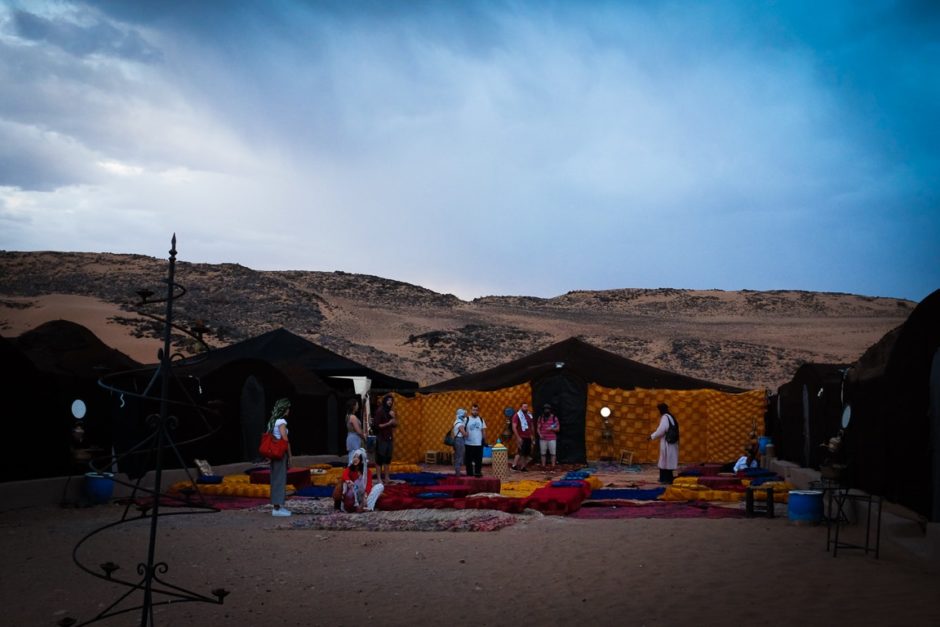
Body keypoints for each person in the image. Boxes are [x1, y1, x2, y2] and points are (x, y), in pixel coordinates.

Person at [333, 448, 384, 512]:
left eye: (358, 457)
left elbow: (368, 486)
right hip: (352, 493)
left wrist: (365, 497)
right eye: (354, 457)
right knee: (341, 483)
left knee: (380, 486)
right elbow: (344, 475)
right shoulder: (350, 468)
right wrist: (349, 481)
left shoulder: (368, 472)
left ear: (362, 460)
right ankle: (341, 506)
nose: (355, 459)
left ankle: (367, 507)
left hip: (363, 495)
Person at [269, 398, 293, 517]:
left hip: (274, 453)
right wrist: (290, 455)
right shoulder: (281, 422)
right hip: (280, 453)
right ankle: (277, 508)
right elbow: (285, 439)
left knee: (275, 478)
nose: (289, 410)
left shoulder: (273, 421)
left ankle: (277, 505)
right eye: (287, 408)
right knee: (280, 479)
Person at [649, 402, 679, 484]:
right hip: (672, 442)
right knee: (668, 460)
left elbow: (661, 430)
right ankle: (668, 478)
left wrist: (652, 436)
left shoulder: (665, 417)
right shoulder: (671, 416)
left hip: (667, 443)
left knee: (665, 461)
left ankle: (665, 479)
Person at [373, 394, 397, 483]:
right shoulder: (380, 411)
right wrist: (388, 424)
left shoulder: (390, 412)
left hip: (389, 438)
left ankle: (387, 477)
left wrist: (393, 417)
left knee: (388, 458)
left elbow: (395, 424)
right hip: (381, 438)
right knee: (379, 458)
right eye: (388, 400)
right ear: (385, 401)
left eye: (391, 400)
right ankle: (379, 478)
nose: (390, 402)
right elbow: (376, 425)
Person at [464, 404, 487, 478]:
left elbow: (483, 430)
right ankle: (469, 474)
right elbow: (462, 429)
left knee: (478, 460)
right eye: (473, 410)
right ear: (471, 410)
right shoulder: (466, 419)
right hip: (468, 443)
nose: (475, 411)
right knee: (468, 460)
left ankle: (477, 472)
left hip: (478, 443)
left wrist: (484, 440)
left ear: (478, 411)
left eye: (476, 410)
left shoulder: (481, 419)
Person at [511, 402, 535, 471]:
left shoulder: (529, 415)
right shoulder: (517, 415)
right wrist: (518, 437)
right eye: (524, 407)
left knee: (526, 453)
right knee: (520, 451)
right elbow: (514, 427)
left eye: (526, 407)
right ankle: (514, 466)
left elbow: (531, 425)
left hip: (528, 436)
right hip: (521, 436)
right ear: (521, 407)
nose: (526, 408)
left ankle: (523, 467)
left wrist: (532, 435)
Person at [537, 403, 560, 468]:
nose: (546, 410)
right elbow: (538, 428)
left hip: (552, 438)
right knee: (543, 453)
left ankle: (553, 466)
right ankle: (543, 466)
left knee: (553, 453)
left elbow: (558, 429)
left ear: (550, 410)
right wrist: (540, 434)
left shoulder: (554, 418)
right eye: (545, 409)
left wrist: (552, 428)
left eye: (548, 409)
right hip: (543, 438)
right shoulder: (540, 418)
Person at [453, 408, 469, 476]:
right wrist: (468, 433)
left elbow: (465, 418)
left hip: (457, 440)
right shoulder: (460, 423)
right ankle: (458, 473)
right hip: (460, 440)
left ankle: (458, 471)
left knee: (458, 456)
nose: (464, 416)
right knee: (459, 456)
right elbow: (464, 434)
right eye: (463, 415)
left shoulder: (457, 421)